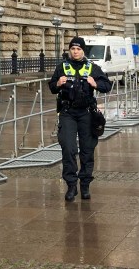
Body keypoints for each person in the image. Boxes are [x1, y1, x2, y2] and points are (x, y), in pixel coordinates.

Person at [48, 36, 112, 201]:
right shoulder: (62, 67)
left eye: (78, 49)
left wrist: (95, 84)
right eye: (73, 49)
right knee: (68, 148)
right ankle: (71, 185)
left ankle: (84, 185)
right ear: (69, 51)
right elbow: (51, 87)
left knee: (87, 150)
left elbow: (107, 86)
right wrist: (58, 84)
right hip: (68, 113)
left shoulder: (93, 68)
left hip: (86, 113)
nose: (75, 52)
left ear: (83, 51)